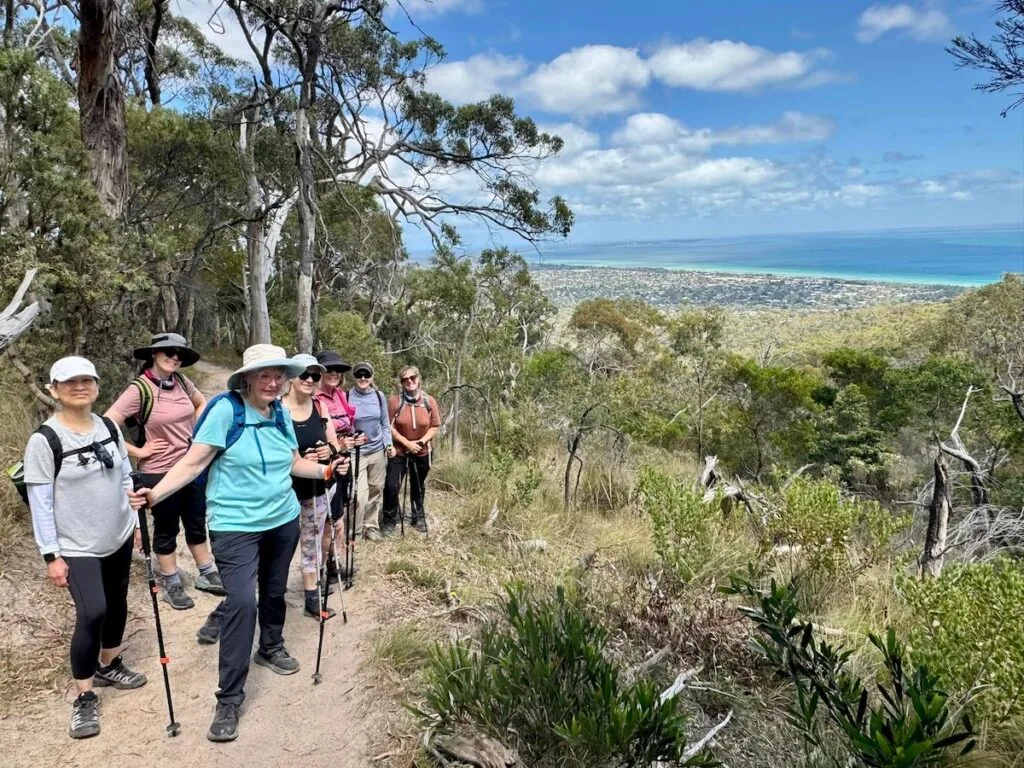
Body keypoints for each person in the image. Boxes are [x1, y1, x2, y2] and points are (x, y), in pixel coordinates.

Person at [128, 344, 349, 743]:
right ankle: (229, 696)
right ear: (246, 377)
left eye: (278, 374)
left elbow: (292, 461)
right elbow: (194, 462)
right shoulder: (225, 410)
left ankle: (271, 644)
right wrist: (155, 494)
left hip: (283, 519)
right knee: (242, 603)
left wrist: (326, 468)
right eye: (264, 374)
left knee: (275, 591)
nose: (273, 381)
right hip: (235, 525)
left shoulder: (280, 411)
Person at [24, 357, 147, 740]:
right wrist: (51, 554)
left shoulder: (109, 425)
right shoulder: (44, 440)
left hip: (119, 532)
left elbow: (125, 475)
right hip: (77, 544)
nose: (80, 387)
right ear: (54, 390)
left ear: (96, 386)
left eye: (87, 380)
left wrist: (136, 523)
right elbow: (41, 501)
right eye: (70, 382)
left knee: (118, 601)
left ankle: (110, 664)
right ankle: (84, 695)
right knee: (93, 611)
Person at [105, 332, 224, 611]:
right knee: (167, 527)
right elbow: (106, 425)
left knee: (196, 521)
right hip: (158, 471)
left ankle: (206, 572)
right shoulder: (139, 389)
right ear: (154, 355)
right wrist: (139, 452)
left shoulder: (182, 381)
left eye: (179, 354)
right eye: (168, 352)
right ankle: (171, 582)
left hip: (190, 467)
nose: (174, 357)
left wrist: (199, 432)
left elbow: (201, 403)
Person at [281, 353, 342, 618]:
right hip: (283, 491)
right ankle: (268, 593)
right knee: (281, 544)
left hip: (316, 489)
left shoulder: (319, 407)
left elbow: (334, 446)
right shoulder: (277, 408)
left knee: (311, 541)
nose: (309, 379)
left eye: (314, 376)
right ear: (291, 376)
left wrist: (327, 453)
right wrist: (297, 459)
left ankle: (311, 598)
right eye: (304, 374)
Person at [313, 349, 357, 578]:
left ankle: (333, 561)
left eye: (338, 370)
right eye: (328, 369)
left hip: (344, 461)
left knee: (339, 516)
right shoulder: (314, 398)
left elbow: (347, 424)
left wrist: (352, 439)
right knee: (329, 519)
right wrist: (339, 443)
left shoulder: (339, 394)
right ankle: (322, 567)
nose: (334, 373)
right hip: (326, 463)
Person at [382, 366, 439, 536]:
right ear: (401, 383)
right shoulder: (394, 402)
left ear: (418, 378)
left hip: (421, 451)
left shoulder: (429, 401)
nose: (410, 381)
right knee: (392, 485)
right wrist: (407, 443)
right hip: (399, 451)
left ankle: (418, 517)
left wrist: (421, 442)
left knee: (418, 486)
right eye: (405, 379)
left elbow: (435, 426)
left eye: (412, 377)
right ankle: (389, 521)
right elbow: (388, 427)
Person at [347, 361, 393, 542]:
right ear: (354, 377)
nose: (363, 378)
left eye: (366, 374)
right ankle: (355, 531)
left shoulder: (379, 396)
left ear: (372, 377)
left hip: (377, 450)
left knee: (376, 489)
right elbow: (344, 423)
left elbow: (385, 423)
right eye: (359, 375)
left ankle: (371, 526)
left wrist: (388, 444)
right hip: (356, 452)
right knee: (358, 494)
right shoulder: (347, 396)